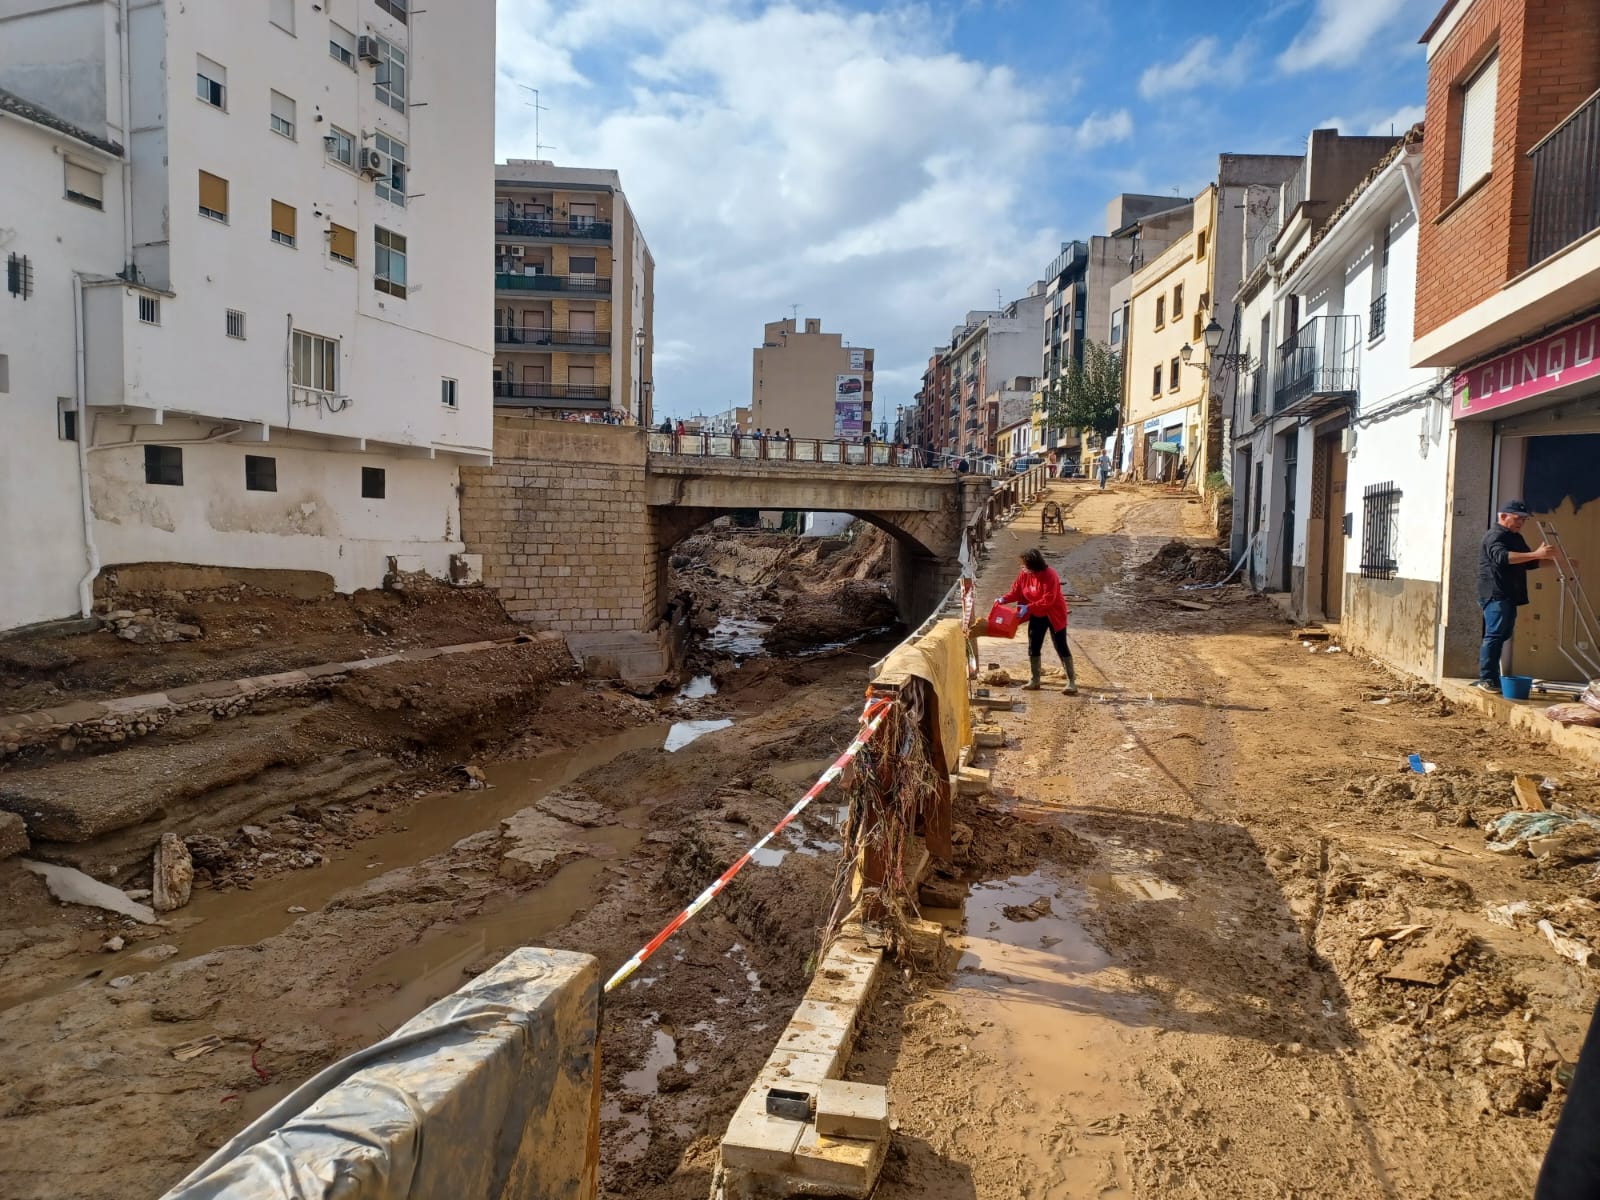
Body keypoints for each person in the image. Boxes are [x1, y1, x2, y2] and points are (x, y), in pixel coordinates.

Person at [1476, 500, 1559, 693]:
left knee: (1503, 634)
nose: (1521, 522)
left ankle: (1493, 678)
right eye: (1518, 518)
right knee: (1495, 635)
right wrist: (1536, 554)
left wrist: (1555, 562)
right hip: (1496, 593)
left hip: (1510, 594)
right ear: (1503, 516)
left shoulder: (1516, 538)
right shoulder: (1494, 536)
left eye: (1524, 519)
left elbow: (1528, 563)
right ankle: (1486, 679)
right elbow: (1503, 557)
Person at [999, 548, 1076, 694]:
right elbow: (1016, 591)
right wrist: (1004, 599)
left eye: (1025, 565)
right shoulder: (1024, 574)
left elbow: (1048, 599)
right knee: (1034, 645)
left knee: (1060, 645)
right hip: (1036, 613)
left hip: (1053, 614)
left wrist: (1028, 607)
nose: (1022, 568)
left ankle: (1071, 681)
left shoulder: (1049, 575)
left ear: (1033, 565)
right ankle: (1035, 679)